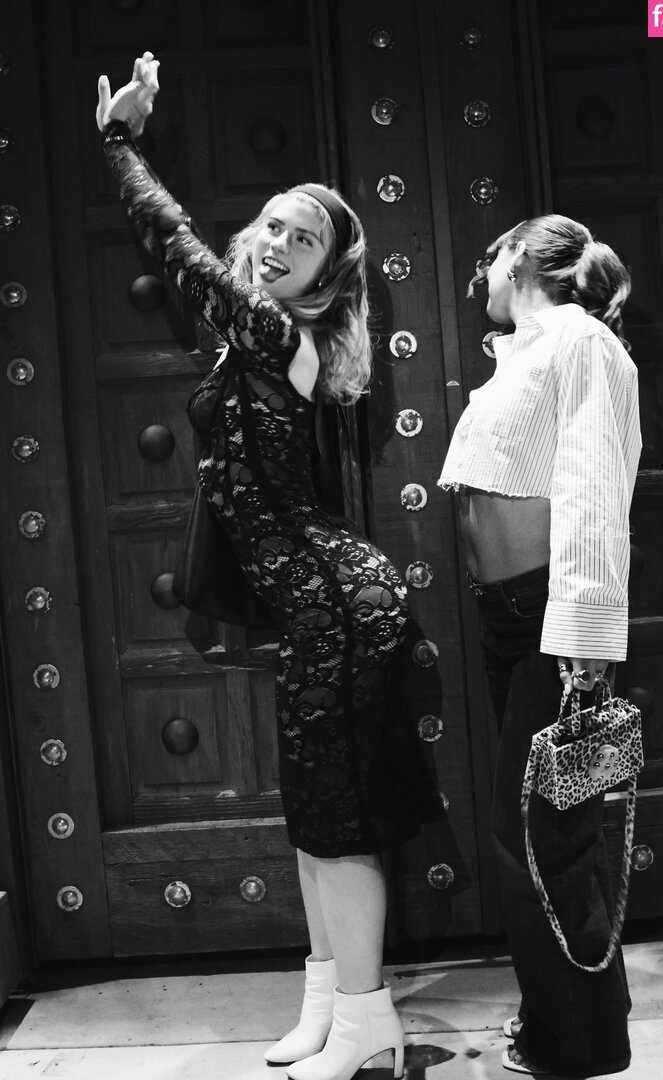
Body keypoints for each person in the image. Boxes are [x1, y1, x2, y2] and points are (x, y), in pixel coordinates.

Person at [96, 53, 438, 1080]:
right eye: (275, 226)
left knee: (340, 826)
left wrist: (120, 141)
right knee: (313, 820)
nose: (280, 242)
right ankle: (327, 1003)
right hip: (318, 607)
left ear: (326, 274)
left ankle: (370, 1023)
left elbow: (176, 245)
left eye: (306, 237)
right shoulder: (251, 338)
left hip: (340, 603)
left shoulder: (274, 328)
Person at [438, 214, 642, 1077]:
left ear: (520, 256)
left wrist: (584, 640)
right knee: (548, 831)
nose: (479, 274)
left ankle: (576, 1046)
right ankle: (572, 1024)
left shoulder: (580, 341)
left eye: (489, 257)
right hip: (510, 620)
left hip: (553, 624)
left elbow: (594, 484)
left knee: (536, 837)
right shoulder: (524, 351)